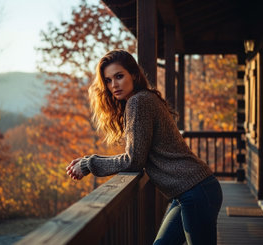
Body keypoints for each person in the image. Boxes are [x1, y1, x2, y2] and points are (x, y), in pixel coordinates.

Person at [66, 49, 223, 245]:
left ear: (133, 74)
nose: (114, 85)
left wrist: (90, 164)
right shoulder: (143, 99)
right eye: (108, 80)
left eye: (119, 76)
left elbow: (133, 160)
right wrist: (89, 161)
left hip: (196, 191)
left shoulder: (138, 102)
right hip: (189, 192)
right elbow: (134, 155)